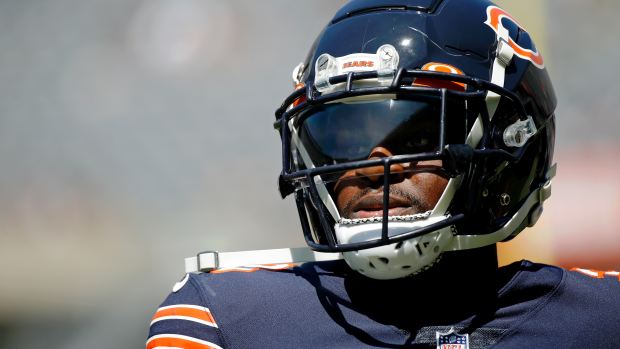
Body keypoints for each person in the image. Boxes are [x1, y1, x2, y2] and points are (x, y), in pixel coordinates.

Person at [146, 1, 620, 348]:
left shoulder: (603, 319)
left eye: (415, 134)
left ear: (506, 151)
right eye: (343, 137)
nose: (373, 164)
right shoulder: (227, 319)